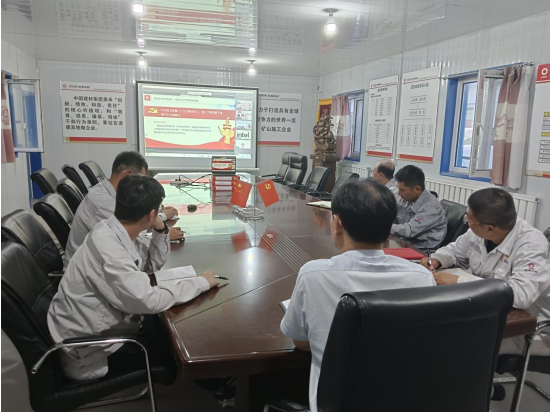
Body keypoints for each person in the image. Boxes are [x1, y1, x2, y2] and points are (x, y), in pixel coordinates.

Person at [280, 179, 435, 411]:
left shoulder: (313, 275)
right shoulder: (421, 277)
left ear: (337, 223)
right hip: (402, 401)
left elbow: (300, 341)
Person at [48, 175, 220, 380]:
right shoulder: (111, 250)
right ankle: (222, 384)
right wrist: (201, 282)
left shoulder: (110, 228)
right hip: (91, 350)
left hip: (99, 324)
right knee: (183, 345)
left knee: (172, 321)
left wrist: (160, 228)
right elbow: (150, 300)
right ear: (151, 214)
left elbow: (150, 264)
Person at [420, 188, 550, 355]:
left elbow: (520, 295)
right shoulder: (480, 231)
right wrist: (437, 260)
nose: (466, 222)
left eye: (468, 220)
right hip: (489, 310)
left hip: (528, 328)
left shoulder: (531, 245)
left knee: (449, 341)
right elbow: (455, 251)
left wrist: (459, 282)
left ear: (489, 229)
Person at [64, 151, 183, 267]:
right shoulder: (104, 203)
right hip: (91, 268)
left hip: (100, 261)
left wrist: (157, 216)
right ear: (128, 174)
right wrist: (162, 236)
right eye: (140, 178)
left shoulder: (108, 192)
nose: (141, 184)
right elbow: (130, 240)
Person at [391, 165, 447, 249]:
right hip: (404, 242)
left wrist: (383, 227)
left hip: (422, 250)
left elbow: (409, 231)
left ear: (417, 189)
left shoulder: (431, 207)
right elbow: (393, 216)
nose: (399, 193)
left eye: (402, 190)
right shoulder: (407, 197)